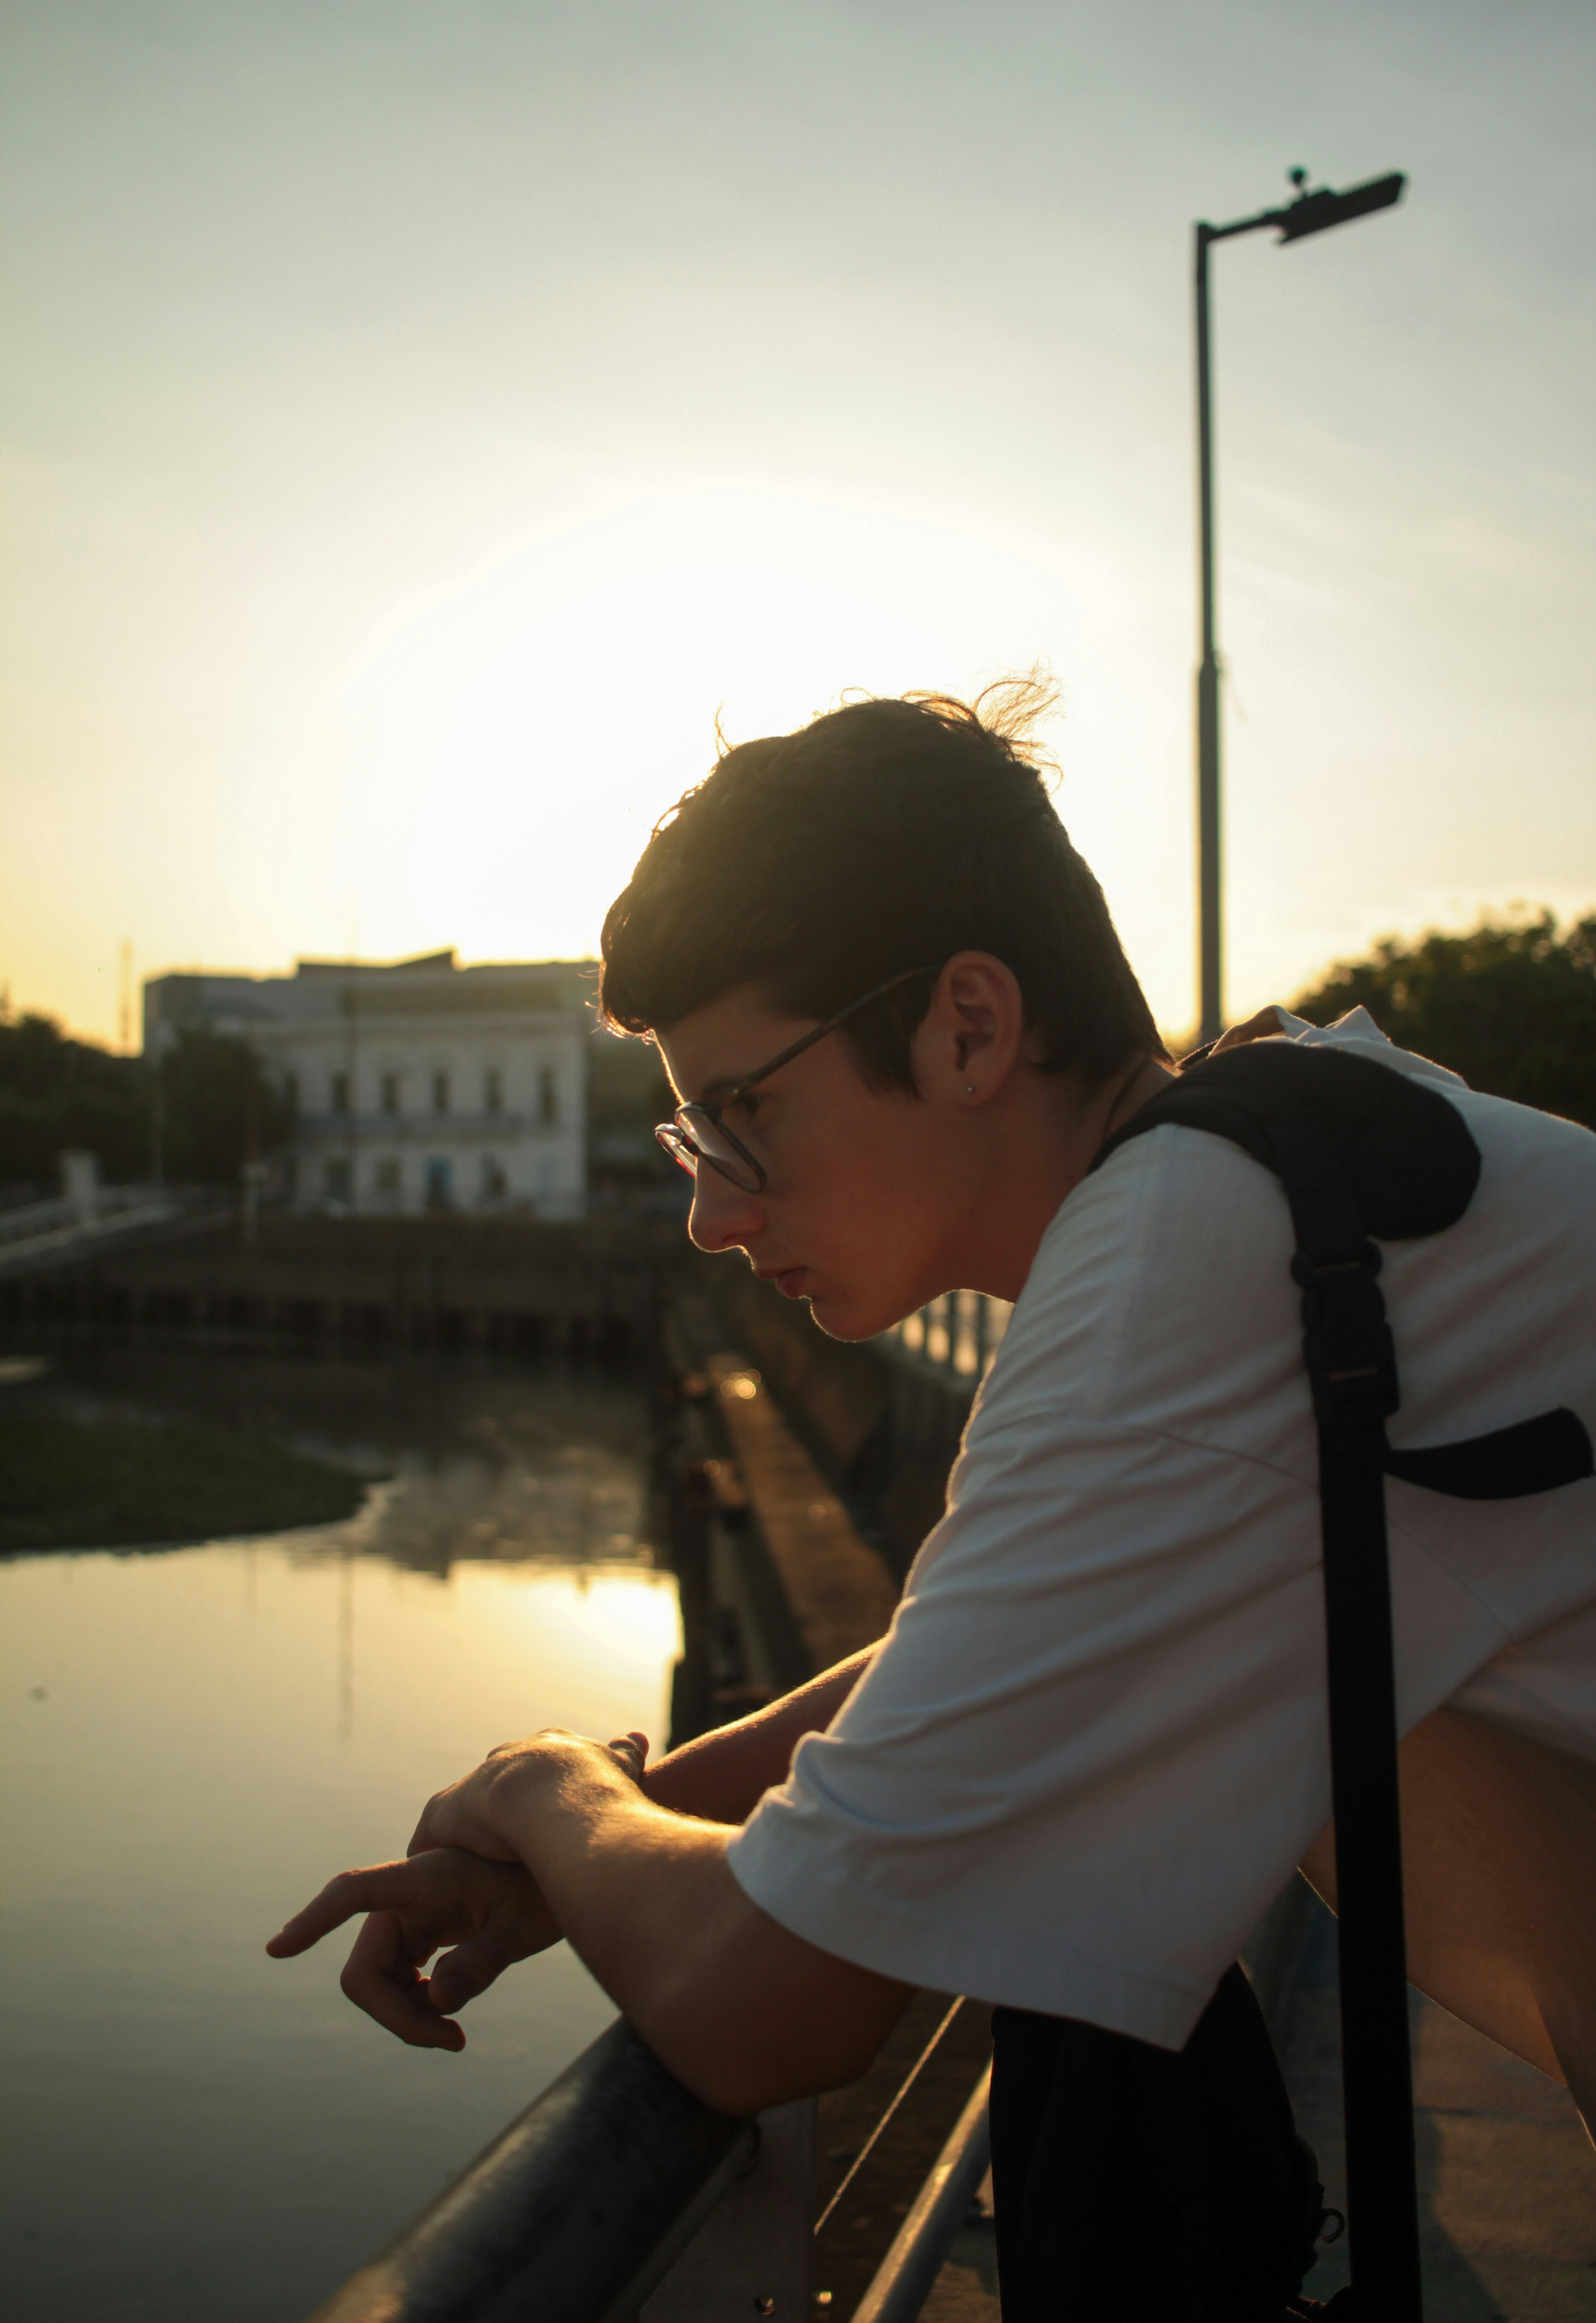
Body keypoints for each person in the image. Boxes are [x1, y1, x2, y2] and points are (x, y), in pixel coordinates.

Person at [269, 687, 1596, 2318]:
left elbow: (771, 2005)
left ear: (969, 1027)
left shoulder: (1182, 1268)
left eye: (742, 1117)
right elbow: (969, 1655)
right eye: (691, 1135)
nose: (705, 1212)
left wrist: (549, 1790)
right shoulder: (1274, 1148)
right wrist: (636, 1821)